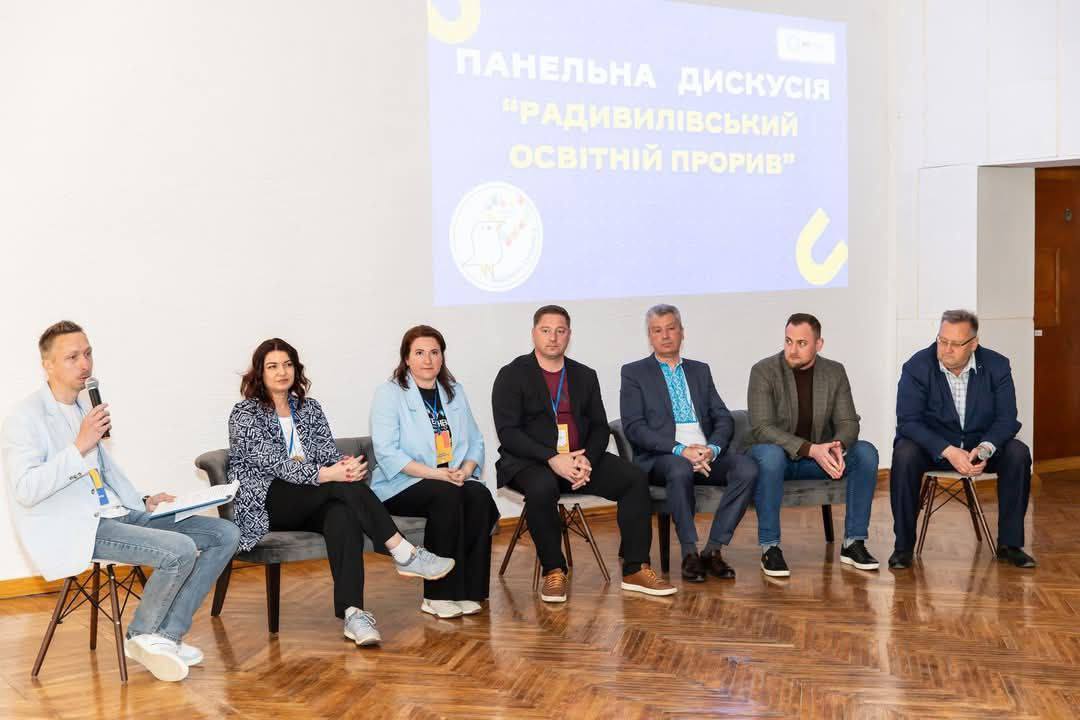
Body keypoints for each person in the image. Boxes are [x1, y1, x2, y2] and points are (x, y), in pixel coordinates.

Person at [1, 321, 241, 682]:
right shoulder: (25, 418)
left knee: (224, 534)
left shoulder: (82, 408)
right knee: (178, 549)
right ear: (47, 364)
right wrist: (78, 446)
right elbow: (25, 489)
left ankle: (166, 636)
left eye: (88, 353)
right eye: (72, 357)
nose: (85, 364)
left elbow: (101, 475)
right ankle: (141, 636)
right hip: (80, 526)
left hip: (119, 513)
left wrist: (143, 500)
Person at [227, 338, 455, 646]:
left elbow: (326, 452)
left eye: (288, 364)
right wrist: (329, 475)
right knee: (338, 485)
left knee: (342, 514)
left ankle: (353, 614)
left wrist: (345, 466)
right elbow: (274, 464)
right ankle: (403, 552)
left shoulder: (308, 408)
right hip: (268, 502)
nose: (282, 372)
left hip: (312, 498)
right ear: (260, 372)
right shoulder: (245, 413)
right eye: (273, 366)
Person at [492, 305, 676, 603]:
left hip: (580, 460)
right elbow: (508, 432)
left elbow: (600, 427)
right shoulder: (512, 375)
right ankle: (554, 570)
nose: (553, 337)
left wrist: (586, 459)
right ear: (534, 333)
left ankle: (635, 569)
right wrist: (553, 458)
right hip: (532, 462)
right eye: (546, 330)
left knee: (633, 479)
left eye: (560, 331)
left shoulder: (584, 375)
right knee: (542, 487)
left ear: (569, 335)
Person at [619, 304, 757, 581]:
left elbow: (723, 417)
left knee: (747, 468)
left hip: (706, 456)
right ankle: (689, 553)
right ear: (650, 336)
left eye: (671, 328)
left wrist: (712, 449)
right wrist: (681, 450)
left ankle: (713, 550)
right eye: (657, 330)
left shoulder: (699, 371)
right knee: (679, 467)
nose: (665, 335)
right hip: (663, 458)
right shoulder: (634, 372)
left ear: (682, 332)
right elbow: (634, 427)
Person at [369, 325, 499, 618]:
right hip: (402, 482)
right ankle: (437, 595)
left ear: (442, 357)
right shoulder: (389, 394)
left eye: (434, 352)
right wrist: (436, 474)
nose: (427, 360)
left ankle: (469, 591)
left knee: (478, 495)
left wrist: (466, 470)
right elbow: (387, 451)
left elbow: (475, 440)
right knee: (447, 495)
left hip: (450, 478)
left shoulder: (454, 391)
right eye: (419, 353)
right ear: (406, 359)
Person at [890, 309, 1035, 569]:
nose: (946, 349)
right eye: (942, 340)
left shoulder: (997, 366)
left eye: (956, 344)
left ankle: (1010, 545)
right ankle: (903, 547)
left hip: (979, 447)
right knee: (904, 453)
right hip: (935, 449)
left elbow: (1007, 419)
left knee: (1018, 453)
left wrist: (984, 449)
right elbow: (908, 421)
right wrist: (948, 450)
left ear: (974, 343)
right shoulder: (917, 367)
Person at [746, 313, 880, 577]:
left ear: (819, 344)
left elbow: (848, 421)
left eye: (801, 343)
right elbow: (762, 428)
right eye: (788, 341)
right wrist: (811, 449)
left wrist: (837, 446)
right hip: (777, 460)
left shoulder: (834, 372)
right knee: (771, 456)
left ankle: (853, 543)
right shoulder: (764, 371)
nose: (792, 350)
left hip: (818, 460)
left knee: (866, 452)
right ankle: (770, 548)